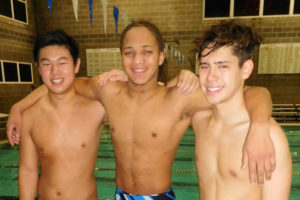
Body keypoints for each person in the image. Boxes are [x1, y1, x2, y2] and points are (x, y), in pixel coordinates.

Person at [8, 21, 274, 200]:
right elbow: (62, 82)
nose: (138, 61)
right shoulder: (108, 92)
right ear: (121, 56)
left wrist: (260, 126)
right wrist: (19, 107)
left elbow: (250, 92)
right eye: (129, 53)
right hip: (120, 196)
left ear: (160, 56)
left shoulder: (180, 96)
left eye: (147, 52)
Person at [193, 20, 292, 200]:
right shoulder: (199, 120)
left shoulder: (270, 138)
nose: (210, 77)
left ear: (245, 69)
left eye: (223, 66)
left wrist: (260, 126)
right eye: (205, 66)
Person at [18, 30, 106, 199]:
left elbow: (138, 104)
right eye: (46, 64)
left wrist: (125, 79)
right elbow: (28, 170)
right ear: (37, 67)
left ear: (77, 65)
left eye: (62, 62)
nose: (55, 71)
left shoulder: (97, 109)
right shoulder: (30, 116)